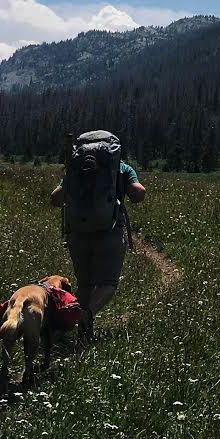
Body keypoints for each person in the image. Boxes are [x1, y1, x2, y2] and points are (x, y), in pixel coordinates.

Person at [50, 130, 146, 341]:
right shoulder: (121, 168)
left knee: (85, 284)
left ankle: (82, 329)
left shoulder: (75, 170)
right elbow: (138, 193)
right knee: (108, 283)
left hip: (78, 234)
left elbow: (55, 199)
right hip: (109, 232)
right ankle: (87, 314)